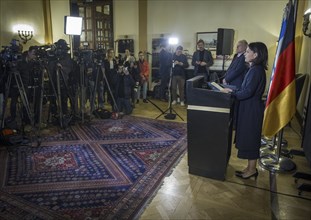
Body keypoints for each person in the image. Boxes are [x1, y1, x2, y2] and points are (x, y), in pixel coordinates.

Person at [223, 42, 268, 180]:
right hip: (249, 107)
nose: (245, 54)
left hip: (251, 109)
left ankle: (252, 170)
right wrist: (234, 90)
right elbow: (245, 89)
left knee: (250, 139)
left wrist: (232, 93)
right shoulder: (255, 69)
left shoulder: (256, 70)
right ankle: (249, 168)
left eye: (248, 52)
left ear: (256, 55)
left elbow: (247, 92)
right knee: (249, 137)